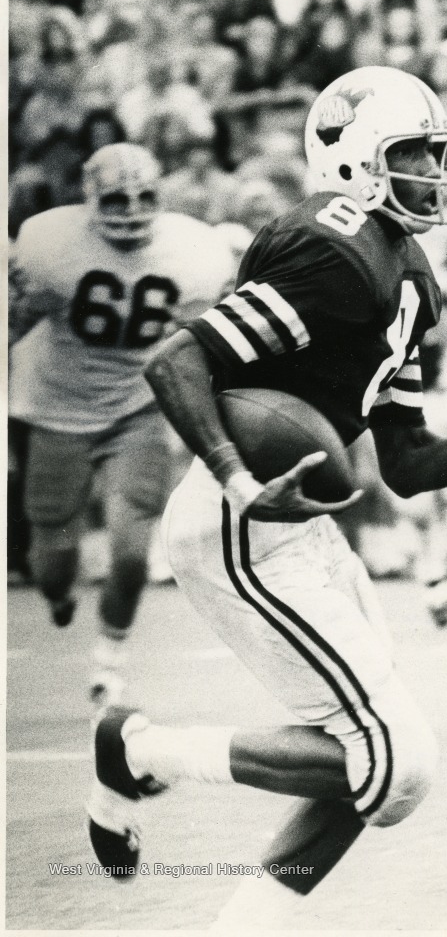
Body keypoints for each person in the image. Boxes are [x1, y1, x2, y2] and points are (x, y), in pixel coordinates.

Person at [85, 66, 447, 925]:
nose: (434, 167)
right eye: (414, 151)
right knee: (397, 762)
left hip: (306, 531)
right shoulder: (335, 249)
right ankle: (143, 750)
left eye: (435, 149)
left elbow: (408, 462)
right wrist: (240, 479)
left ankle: (252, 920)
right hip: (244, 518)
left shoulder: (410, 272)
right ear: (353, 161)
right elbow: (177, 361)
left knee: (370, 761)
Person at [8, 142, 235, 705]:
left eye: (144, 197)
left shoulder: (194, 251)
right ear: (89, 199)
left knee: (132, 552)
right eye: (115, 198)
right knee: (53, 566)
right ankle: (59, 598)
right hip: (57, 410)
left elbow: (197, 345)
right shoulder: (49, 244)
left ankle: (109, 660)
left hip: (138, 406)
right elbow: (15, 323)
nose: (131, 211)